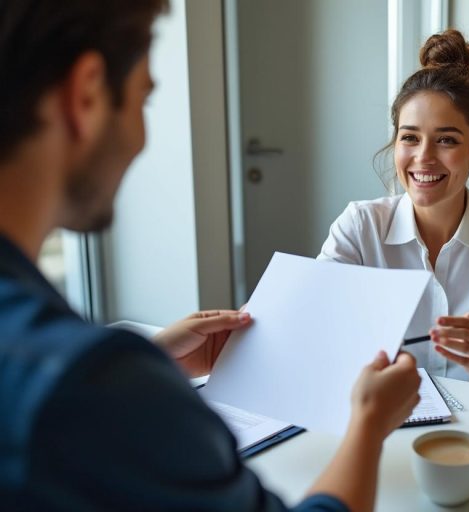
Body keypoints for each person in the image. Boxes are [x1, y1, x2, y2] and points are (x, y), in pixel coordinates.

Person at [0, 1, 421, 511]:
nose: (140, 138)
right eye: (143, 99)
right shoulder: (90, 381)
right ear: (86, 94)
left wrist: (152, 360)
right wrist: (368, 426)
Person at [319, 30, 469, 394]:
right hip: (383, 420)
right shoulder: (359, 226)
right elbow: (312, 319)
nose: (423, 157)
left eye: (447, 140)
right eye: (409, 137)